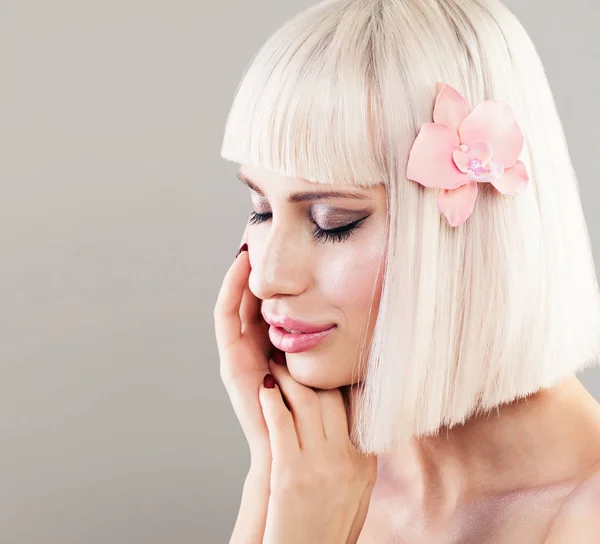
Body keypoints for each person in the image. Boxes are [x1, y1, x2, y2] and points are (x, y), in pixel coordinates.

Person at [214, 0, 600, 541]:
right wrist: (273, 475)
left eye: (332, 221)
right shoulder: (321, 474)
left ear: (468, 235)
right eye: (261, 210)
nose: (265, 277)